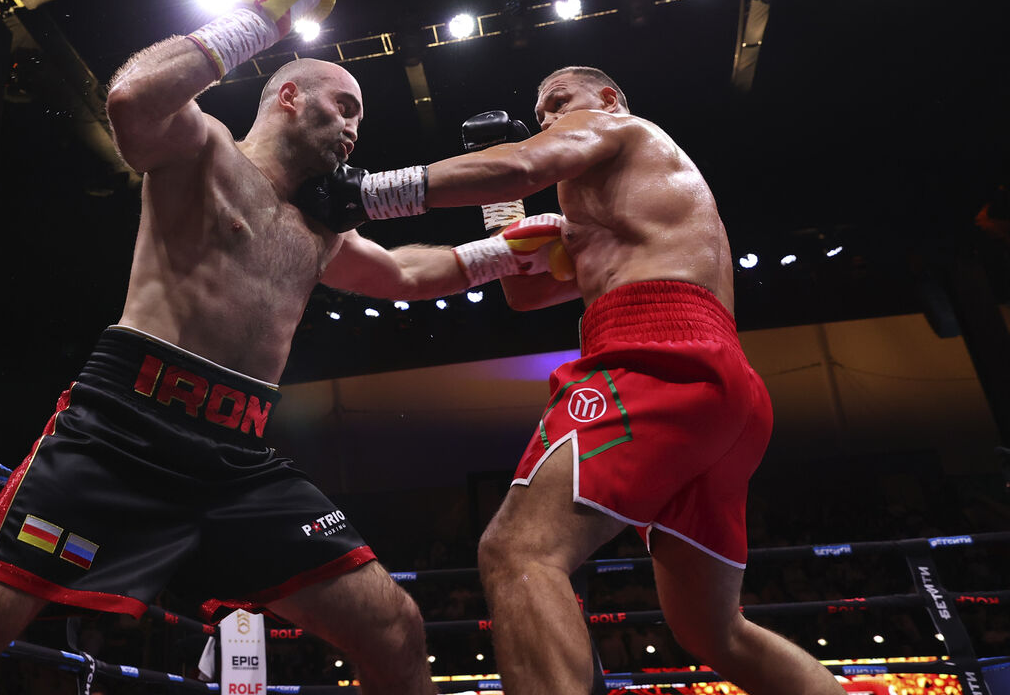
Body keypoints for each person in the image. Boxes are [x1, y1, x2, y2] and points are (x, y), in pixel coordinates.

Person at [0, 0, 568, 695]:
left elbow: (405, 275)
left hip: (237, 458)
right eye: (344, 107)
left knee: (394, 627)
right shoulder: (201, 149)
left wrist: (505, 252)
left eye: (360, 119)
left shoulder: (322, 231)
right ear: (289, 96)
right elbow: (131, 98)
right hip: (122, 433)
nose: (353, 129)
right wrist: (254, 22)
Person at [302, 66, 847, 693]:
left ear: (608, 99)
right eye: (541, 115)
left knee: (518, 551)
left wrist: (366, 193)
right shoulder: (602, 220)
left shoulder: (622, 129)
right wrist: (500, 209)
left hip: (655, 355)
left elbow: (522, 165)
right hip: (722, 389)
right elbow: (523, 294)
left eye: (559, 102)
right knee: (713, 631)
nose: (550, 119)